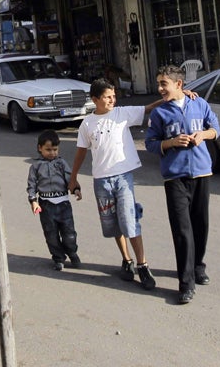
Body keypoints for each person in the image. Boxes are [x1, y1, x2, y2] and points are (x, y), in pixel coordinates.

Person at [68, 78, 158, 291]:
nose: (112, 100)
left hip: (123, 177)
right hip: (101, 180)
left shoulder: (121, 114)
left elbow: (148, 108)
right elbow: (81, 152)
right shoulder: (87, 124)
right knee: (113, 223)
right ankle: (126, 260)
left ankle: (142, 265)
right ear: (95, 99)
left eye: (113, 96)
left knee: (130, 220)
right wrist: (73, 178)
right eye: (107, 97)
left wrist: (173, 97)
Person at [144, 64, 220, 305]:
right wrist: (171, 142)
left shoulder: (199, 104)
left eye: (163, 84)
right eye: (158, 84)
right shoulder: (159, 114)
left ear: (179, 84)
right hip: (174, 177)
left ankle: (198, 266)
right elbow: (150, 143)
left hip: (201, 174)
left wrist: (203, 136)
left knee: (201, 225)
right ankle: (185, 284)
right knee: (182, 230)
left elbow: (216, 128)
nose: (159, 88)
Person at [27, 129, 80, 271]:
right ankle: (58, 258)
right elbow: (32, 185)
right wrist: (33, 201)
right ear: (40, 148)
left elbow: (70, 178)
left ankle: (72, 251)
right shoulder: (36, 166)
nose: (52, 153)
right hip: (46, 206)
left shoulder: (61, 163)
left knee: (69, 233)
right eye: (48, 149)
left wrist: (76, 189)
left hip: (63, 205)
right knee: (51, 235)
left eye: (55, 149)